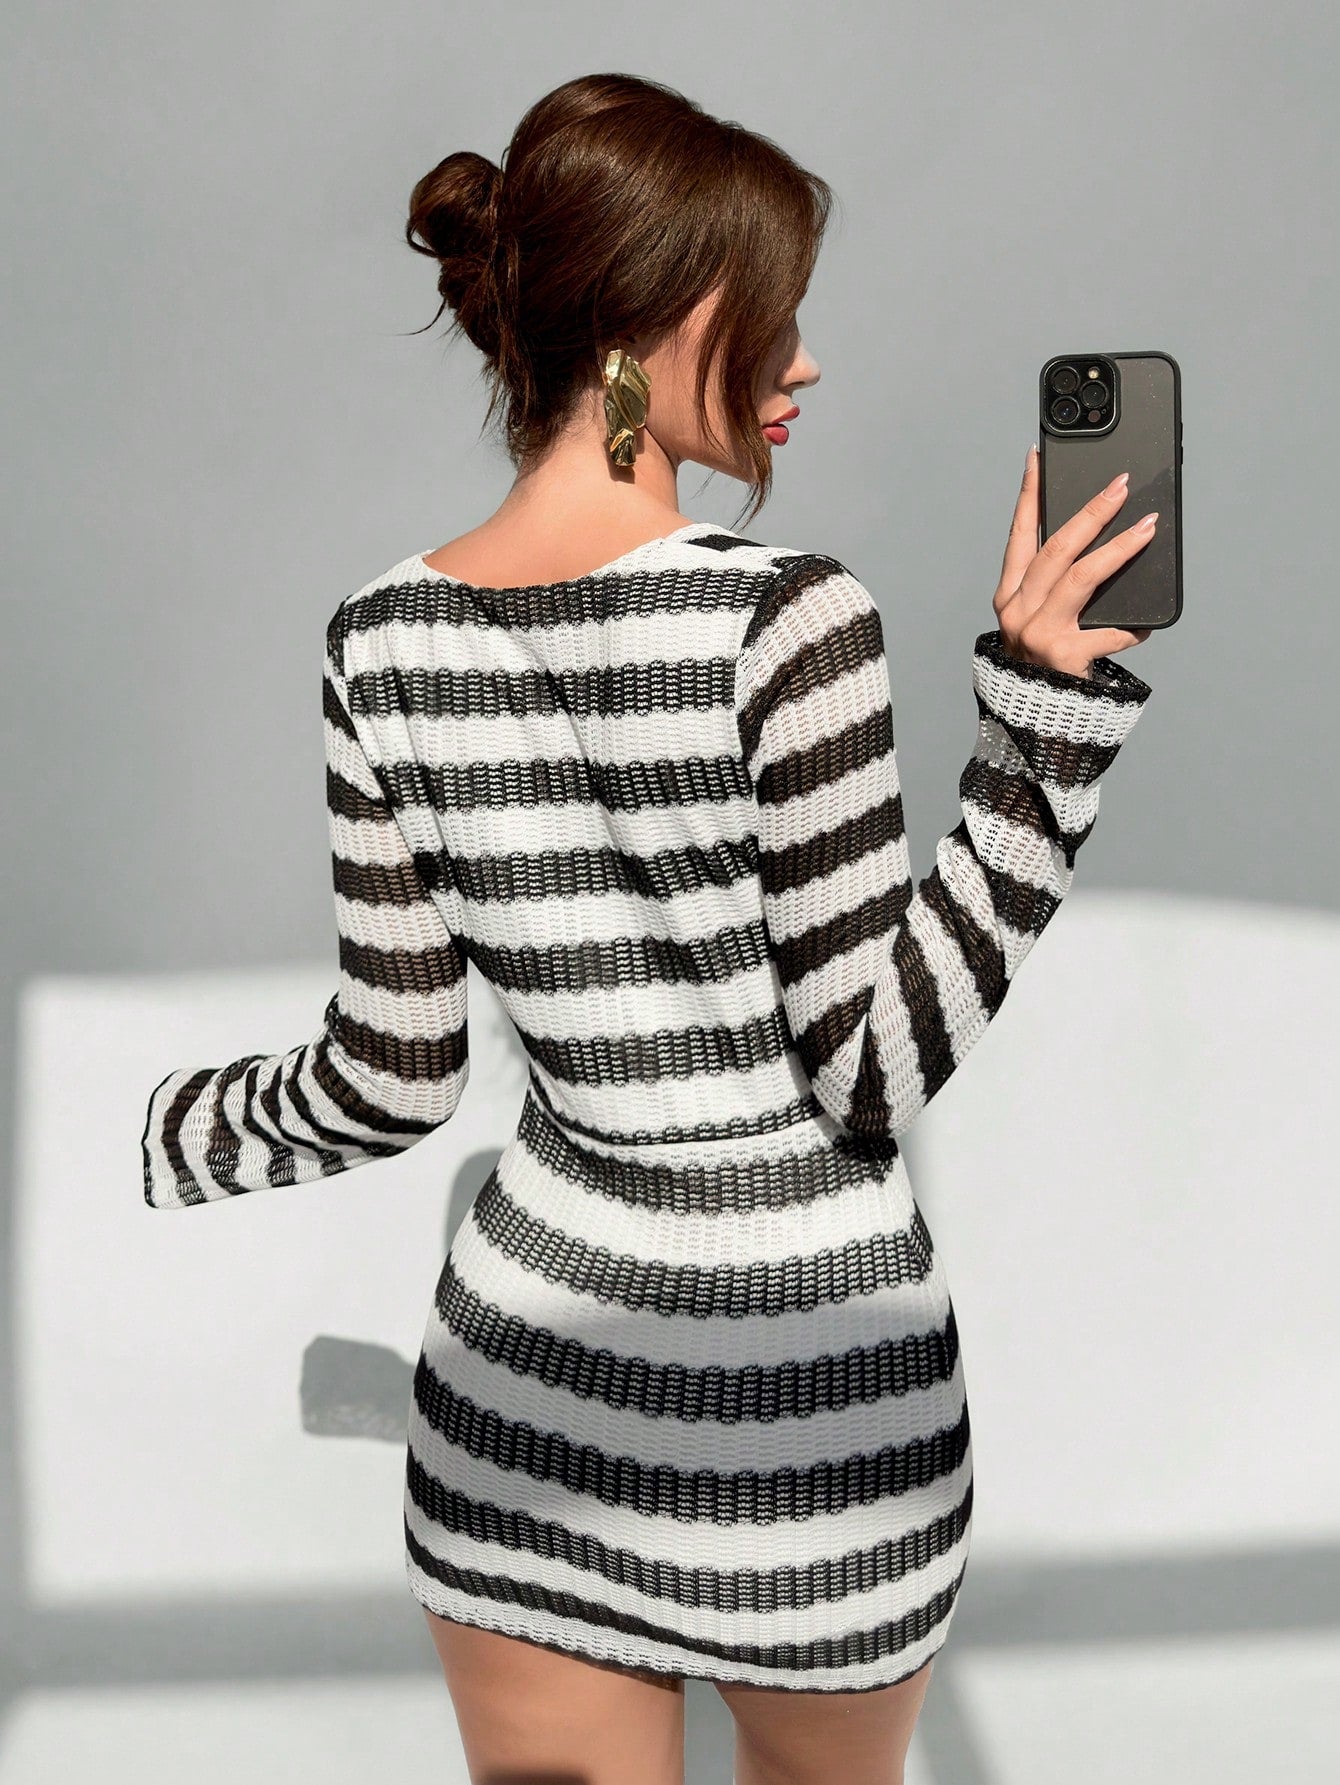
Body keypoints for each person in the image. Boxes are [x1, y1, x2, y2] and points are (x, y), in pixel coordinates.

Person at [140, 70, 1155, 1785]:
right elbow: (874, 1068)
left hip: (521, 1414)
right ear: (661, 325)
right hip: (822, 1426)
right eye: (775, 317)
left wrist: (175, 1134)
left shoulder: (378, 642)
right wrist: (1043, 732)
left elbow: (393, 1078)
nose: (802, 364)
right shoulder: (793, 620)